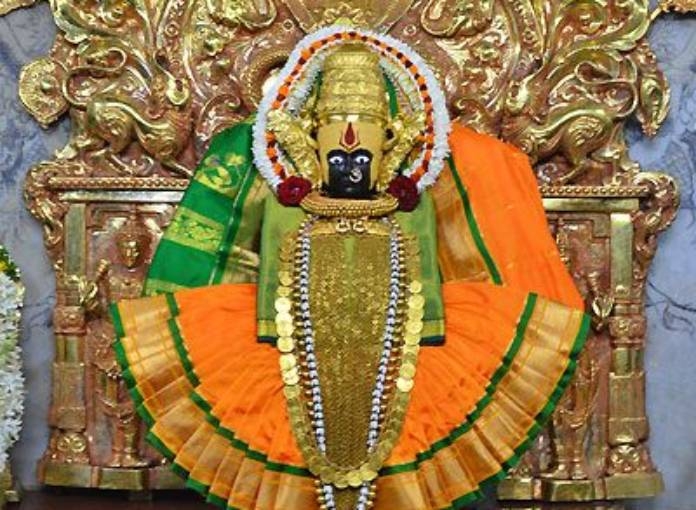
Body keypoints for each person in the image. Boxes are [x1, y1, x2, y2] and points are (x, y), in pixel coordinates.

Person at [111, 27, 589, 510]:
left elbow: (444, 273)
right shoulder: (271, 188)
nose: (350, 166)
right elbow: (219, 261)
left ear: (390, 146)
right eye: (337, 155)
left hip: (414, 368)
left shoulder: (419, 194)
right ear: (309, 143)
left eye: (363, 155)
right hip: (280, 364)